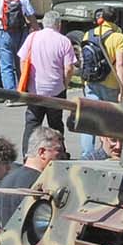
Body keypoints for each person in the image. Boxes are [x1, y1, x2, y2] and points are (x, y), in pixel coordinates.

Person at [16, 18, 76, 153]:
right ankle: (58, 154)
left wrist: (27, 80)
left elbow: (23, 60)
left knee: (32, 124)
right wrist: (64, 84)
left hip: (35, 90)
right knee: (55, 125)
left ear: (44, 23)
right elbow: (69, 68)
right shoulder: (64, 41)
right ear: (58, 25)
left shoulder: (32, 37)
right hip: (56, 90)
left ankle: (28, 155)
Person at [74, 7, 123, 157]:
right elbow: (120, 64)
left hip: (91, 81)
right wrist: (122, 88)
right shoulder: (118, 37)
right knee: (111, 119)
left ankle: (87, 153)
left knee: (90, 118)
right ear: (115, 20)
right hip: (111, 84)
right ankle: (110, 150)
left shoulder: (88, 34)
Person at [1, 126, 62, 190]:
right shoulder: (43, 184)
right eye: (59, 151)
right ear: (42, 152)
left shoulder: (7, 179)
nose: (64, 156)